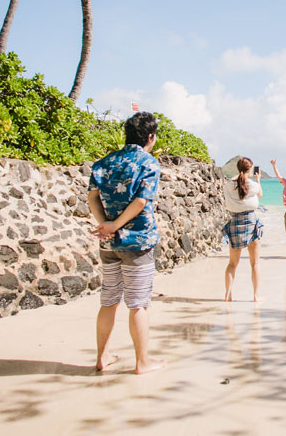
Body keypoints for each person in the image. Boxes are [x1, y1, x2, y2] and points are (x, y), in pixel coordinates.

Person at [87, 111, 163, 375]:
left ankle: (102, 356)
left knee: (108, 300)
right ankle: (142, 362)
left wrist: (105, 226)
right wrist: (115, 226)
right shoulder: (149, 163)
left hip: (108, 243)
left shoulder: (103, 163)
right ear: (150, 137)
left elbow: (92, 198)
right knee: (138, 303)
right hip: (137, 241)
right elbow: (141, 201)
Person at [221, 157, 263, 302]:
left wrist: (238, 175)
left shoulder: (228, 185)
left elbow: (232, 185)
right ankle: (256, 296)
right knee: (255, 263)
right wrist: (258, 180)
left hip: (235, 221)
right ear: (250, 169)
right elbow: (260, 194)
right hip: (251, 221)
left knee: (232, 263)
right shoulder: (252, 185)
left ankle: (227, 295)